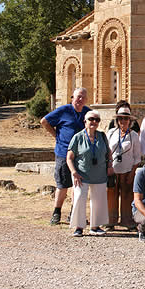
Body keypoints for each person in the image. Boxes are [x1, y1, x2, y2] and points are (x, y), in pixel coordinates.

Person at [41, 87, 91, 226]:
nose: (80, 99)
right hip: (63, 153)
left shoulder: (87, 113)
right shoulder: (64, 110)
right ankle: (56, 212)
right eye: (78, 96)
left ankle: (74, 214)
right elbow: (44, 121)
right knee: (63, 184)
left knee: (78, 185)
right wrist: (56, 136)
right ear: (72, 98)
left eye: (83, 97)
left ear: (86, 99)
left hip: (81, 155)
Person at [66, 110, 110, 237]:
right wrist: (74, 172)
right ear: (85, 121)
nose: (94, 122)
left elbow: (108, 153)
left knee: (98, 200)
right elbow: (69, 157)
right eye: (91, 119)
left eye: (97, 120)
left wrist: (110, 166)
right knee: (79, 198)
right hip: (81, 175)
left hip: (99, 174)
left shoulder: (102, 136)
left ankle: (95, 226)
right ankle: (79, 227)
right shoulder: (78, 137)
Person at [106, 102, 140, 230]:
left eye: (126, 118)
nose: (123, 121)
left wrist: (132, 173)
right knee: (111, 196)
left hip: (127, 170)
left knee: (127, 196)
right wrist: (108, 167)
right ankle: (110, 221)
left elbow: (137, 157)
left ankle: (127, 221)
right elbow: (106, 152)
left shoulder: (134, 135)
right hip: (113, 170)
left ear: (129, 120)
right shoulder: (111, 133)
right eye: (120, 118)